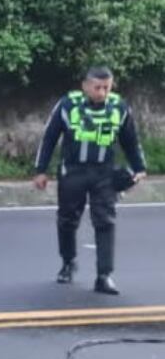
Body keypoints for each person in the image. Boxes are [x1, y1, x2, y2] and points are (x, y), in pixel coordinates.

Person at [32, 67, 147, 295]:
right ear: (85, 86)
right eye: (97, 87)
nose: (102, 92)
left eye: (106, 87)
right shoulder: (67, 105)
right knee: (67, 219)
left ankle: (104, 276)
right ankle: (67, 263)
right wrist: (40, 170)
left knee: (105, 221)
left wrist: (139, 168)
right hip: (73, 171)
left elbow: (131, 140)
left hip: (104, 173)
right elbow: (49, 137)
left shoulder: (119, 108)